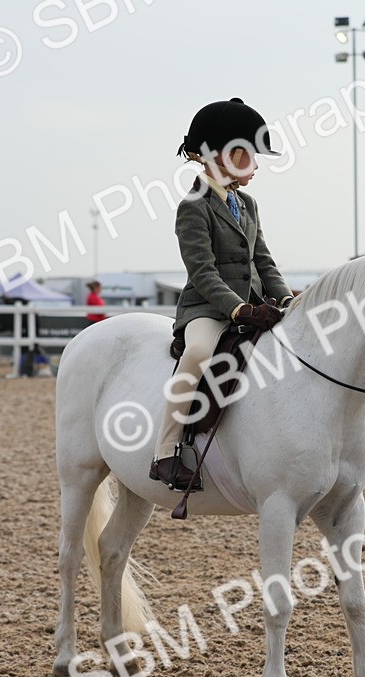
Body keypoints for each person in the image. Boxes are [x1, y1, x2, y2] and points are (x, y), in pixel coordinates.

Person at [151, 97, 292, 489]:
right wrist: (238, 310)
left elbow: (263, 261)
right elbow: (203, 271)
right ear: (220, 156)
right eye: (248, 155)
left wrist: (286, 300)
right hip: (209, 309)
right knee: (198, 352)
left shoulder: (247, 204)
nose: (257, 166)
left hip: (253, 306)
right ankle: (165, 451)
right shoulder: (193, 207)